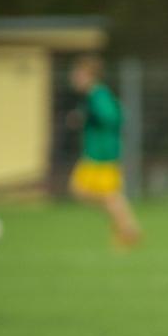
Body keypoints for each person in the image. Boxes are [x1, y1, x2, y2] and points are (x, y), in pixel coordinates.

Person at [68, 54, 141, 247]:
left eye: (78, 74)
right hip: (96, 153)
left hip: (102, 154)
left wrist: (89, 116)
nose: (74, 77)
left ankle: (127, 229)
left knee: (102, 194)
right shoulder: (94, 96)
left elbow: (113, 116)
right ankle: (125, 226)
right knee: (86, 192)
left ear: (88, 75)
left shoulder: (97, 94)